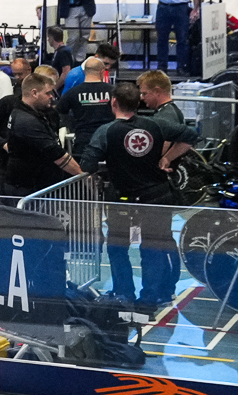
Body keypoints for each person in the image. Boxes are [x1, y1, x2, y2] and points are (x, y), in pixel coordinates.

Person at [81, 82, 196, 310]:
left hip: (123, 198)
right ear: (138, 102)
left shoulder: (106, 131)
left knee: (117, 246)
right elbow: (191, 136)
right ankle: (151, 299)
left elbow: (87, 164)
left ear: (113, 102)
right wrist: (166, 158)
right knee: (153, 247)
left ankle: (123, 293)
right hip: (157, 196)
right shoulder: (156, 124)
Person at [0, 71, 82, 197]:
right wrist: (82, 175)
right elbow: (57, 155)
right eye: (47, 93)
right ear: (34, 93)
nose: (51, 97)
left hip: (34, 184)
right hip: (26, 187)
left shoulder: (33, 113)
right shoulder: (25, 120)